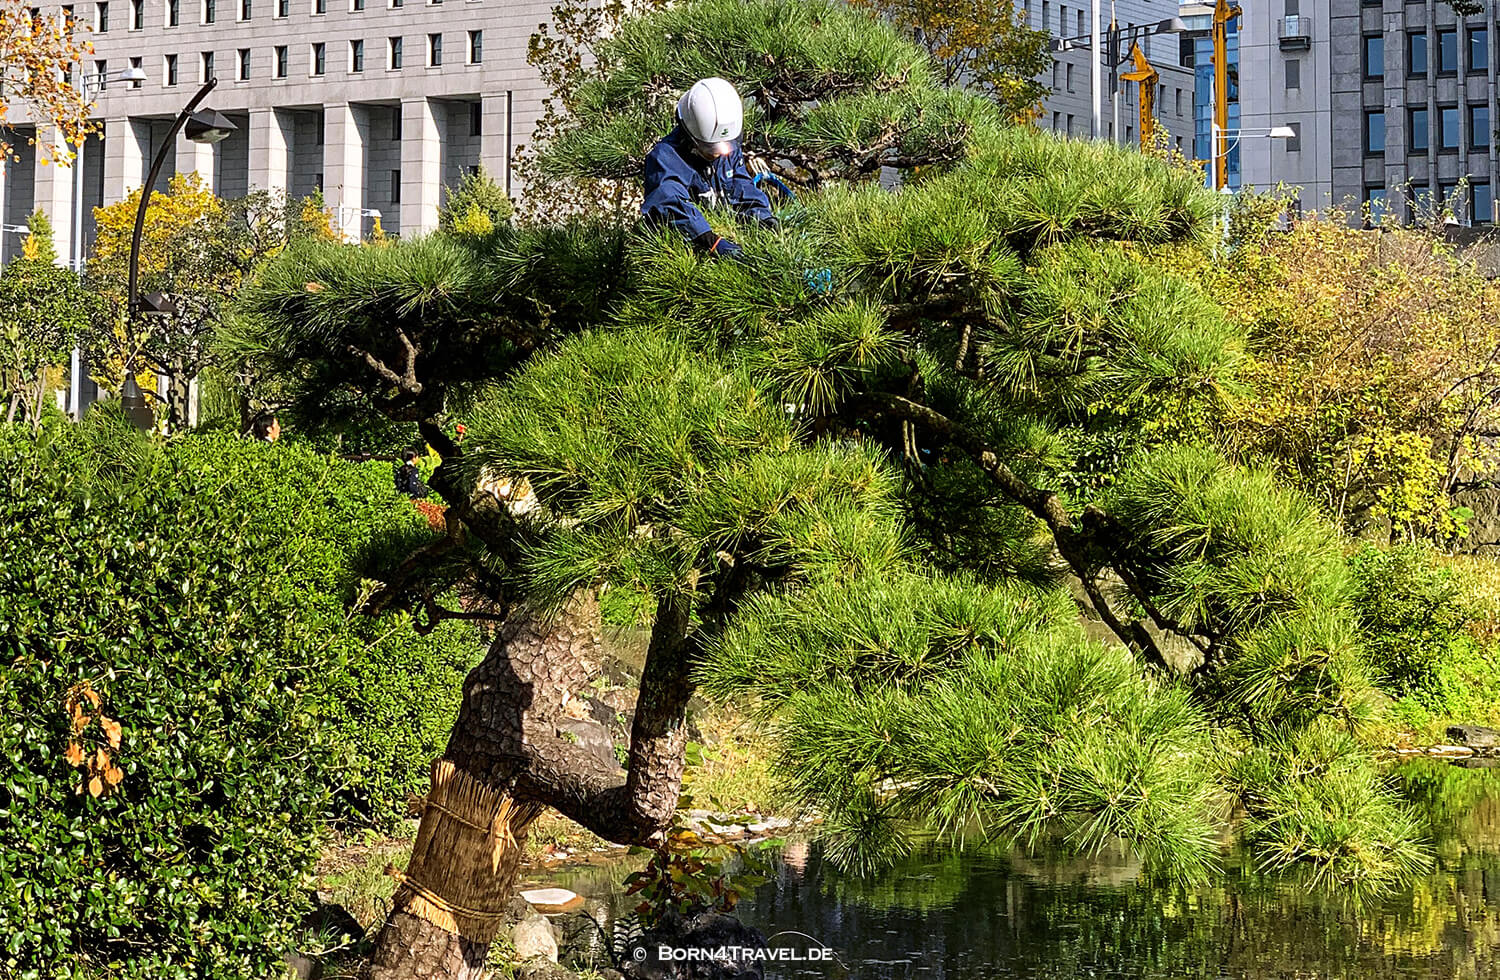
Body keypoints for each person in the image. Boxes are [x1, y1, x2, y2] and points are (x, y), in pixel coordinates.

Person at [641, 77, 776, 260]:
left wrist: (762, 217)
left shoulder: (727, 146)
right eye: (711, 148)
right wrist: (710, 240)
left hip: (727, 237)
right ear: (690, 136)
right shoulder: (666, 158)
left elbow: (741, 185)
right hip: (686, 252)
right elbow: (669, 202)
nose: (720, 153)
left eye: (727, 146)